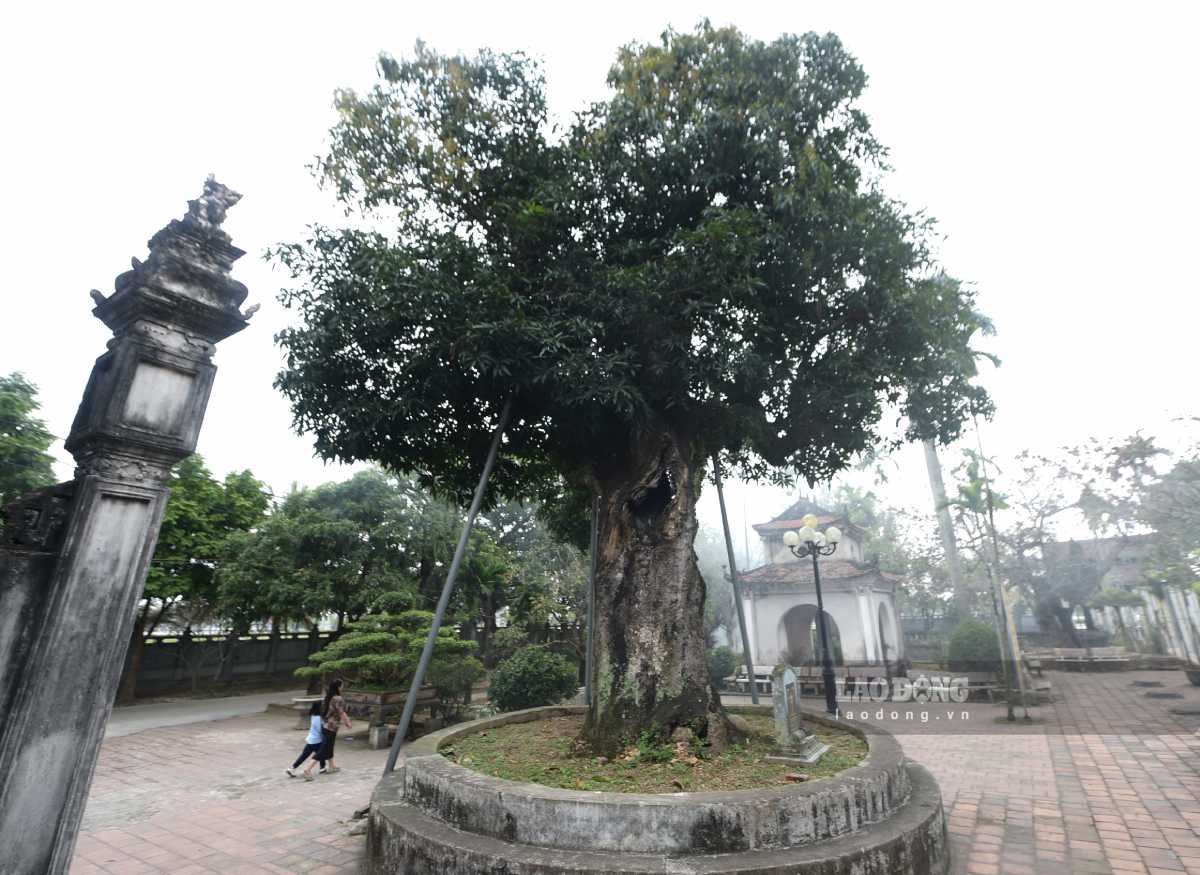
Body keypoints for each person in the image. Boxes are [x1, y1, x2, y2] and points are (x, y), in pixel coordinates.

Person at [305, 679, 352, 778]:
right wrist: (347, 722)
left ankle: (332, 766)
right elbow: (341, 712)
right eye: (342, 686)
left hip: (325, 725)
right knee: (324, 749)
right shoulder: (338, 699)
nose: (343, 688)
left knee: (329, 746)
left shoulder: (328, 697)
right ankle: (307, 769)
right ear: (338, 687)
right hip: (331, 727)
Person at [286, 702, 325, 781]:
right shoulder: (318, 717)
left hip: (311, 739)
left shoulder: (313, 716)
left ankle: (292, 768)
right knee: (320, 754)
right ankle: (322, 768)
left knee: (304, 756)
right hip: (316, 740)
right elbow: (319, 730)